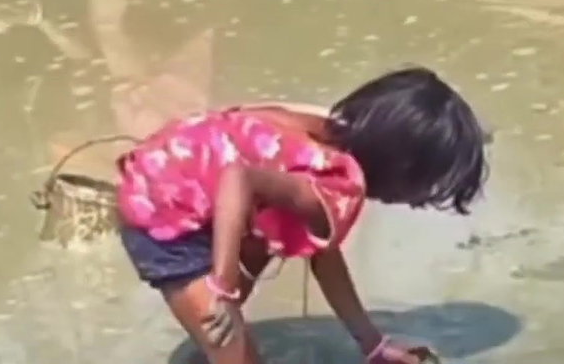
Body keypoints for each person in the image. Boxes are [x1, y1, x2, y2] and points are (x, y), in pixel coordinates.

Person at [114, 67, 488, 364]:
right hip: (162, 217)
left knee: (268, 239)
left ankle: (211, 323)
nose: (414, 203)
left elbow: (325, 257)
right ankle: (216, 329)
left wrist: (372, 345)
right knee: (234, 350)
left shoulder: (325, 126)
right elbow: (238, 178)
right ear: (404, 169)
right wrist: (223, 290)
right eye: (424, 189)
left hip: (168, 169)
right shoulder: (334, 190)